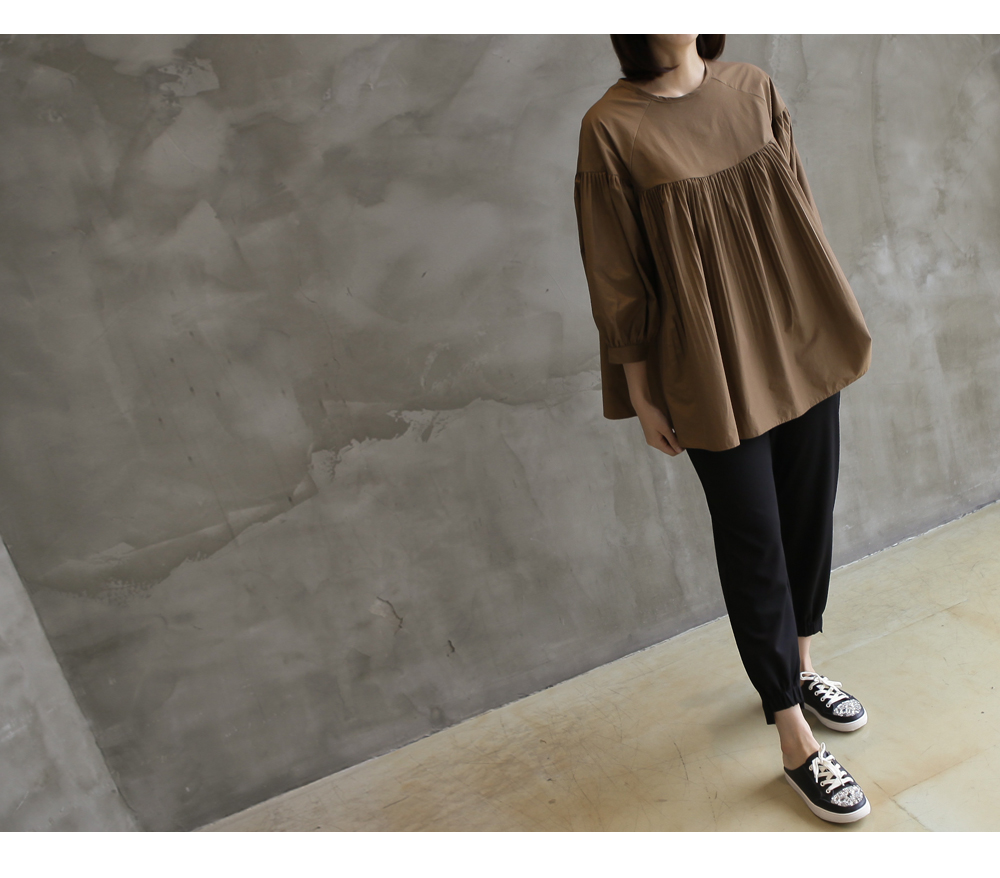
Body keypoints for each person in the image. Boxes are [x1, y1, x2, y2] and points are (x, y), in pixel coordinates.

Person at [573, 34, 874, 824]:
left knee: (808, 515)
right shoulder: (611, 127)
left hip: (799, 334)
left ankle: (800, 666)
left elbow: (799, 203)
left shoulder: (752, 87)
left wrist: (830, 309)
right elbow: (616, 272)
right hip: (705, 363)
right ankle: (793, 739)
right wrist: (642, 390)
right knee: (754, 540)